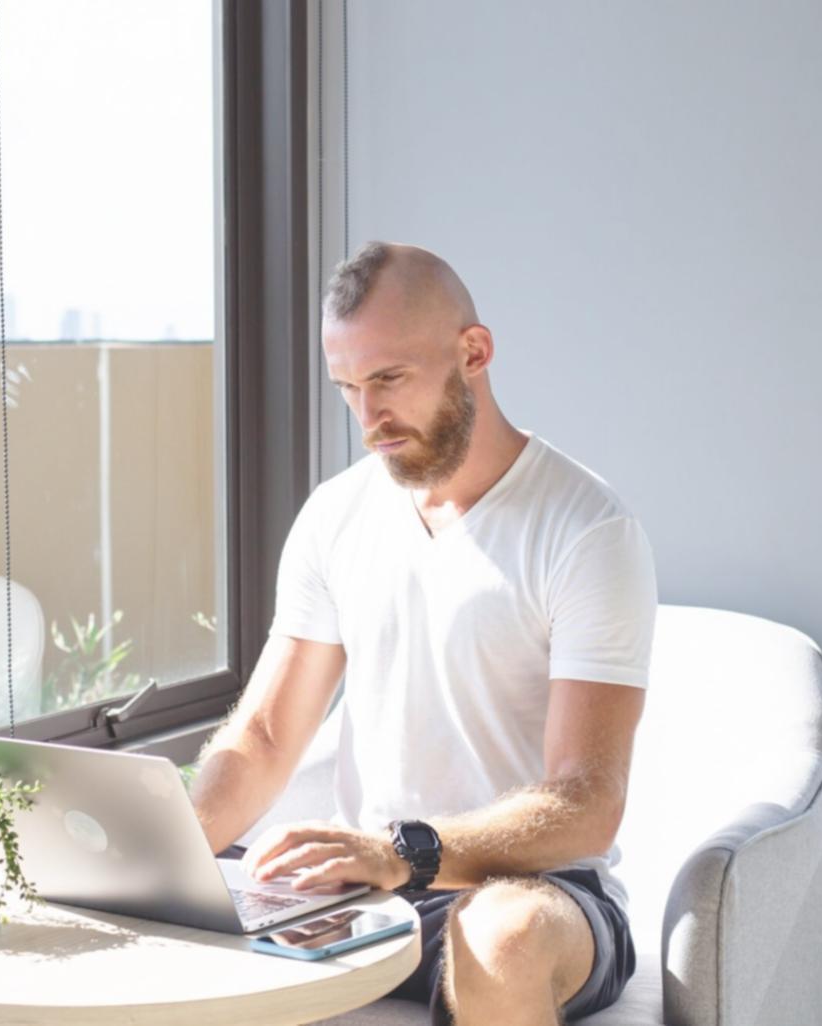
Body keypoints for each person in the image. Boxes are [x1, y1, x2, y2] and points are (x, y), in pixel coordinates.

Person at [190, 243, 657, 1025]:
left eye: (388, 380)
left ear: (472, 352)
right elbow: (266, 736)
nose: (368, 419)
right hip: (371, 881)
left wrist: (401, 851)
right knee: (167, 920)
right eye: (346, 388)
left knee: (498, 937)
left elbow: (586, 802)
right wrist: (161, 859)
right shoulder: (335, 516)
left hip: (533, 888)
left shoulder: (586, 529)